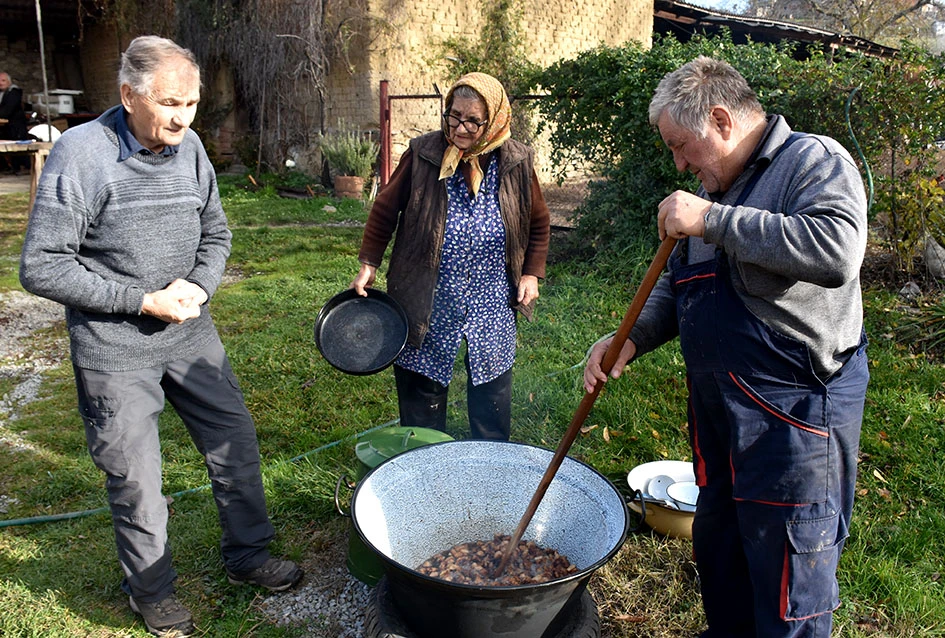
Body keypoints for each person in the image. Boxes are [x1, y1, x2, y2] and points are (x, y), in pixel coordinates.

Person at [19, 36, 302, 637]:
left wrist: (199, 285)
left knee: (235, 445)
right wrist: (142, 301)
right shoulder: (81, 154)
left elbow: (216, 233)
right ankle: (152, 593)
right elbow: (42, 265)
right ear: (129, 95)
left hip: (191, 338)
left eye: (191, 104)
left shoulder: (190, 148)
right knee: (136, 480)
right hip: (114, 351)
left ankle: (248, 556)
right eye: (170, 103)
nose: (182, 118)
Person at [583, 57, 869, 638]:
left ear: (720, 120)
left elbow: (837, 250)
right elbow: (678, 282)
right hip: (720, 417)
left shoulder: (812, 161)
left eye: (680, 146)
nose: (679, 164)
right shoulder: (710, 192)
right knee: (723, 556)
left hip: (795, 421)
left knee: (789, 580)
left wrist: (713, 219)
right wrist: (630, 337)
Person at [350, 72, 550, 440]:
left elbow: (537, 221)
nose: (460, 128)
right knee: (421, 389)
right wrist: (369, 265)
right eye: (454, 116)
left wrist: (530, 274)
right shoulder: (423, 153)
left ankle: (490, 464)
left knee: (491, 391)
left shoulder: (517, 161)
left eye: (473, 121)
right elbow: (384, 209)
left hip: (491, 296)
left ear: (494, 120)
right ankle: (424, 461)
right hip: (428, 294)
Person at [0, 71, 29, 141]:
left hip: (15, 129)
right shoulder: (2, 93)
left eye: (3, 81)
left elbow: (6, 111)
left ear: (9, 82)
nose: (0, 83)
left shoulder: (14, 93)